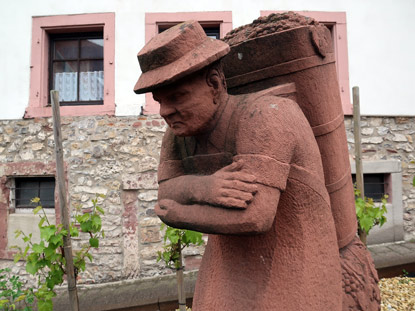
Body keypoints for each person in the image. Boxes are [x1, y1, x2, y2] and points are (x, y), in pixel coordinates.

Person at [134, 20, 342, 310]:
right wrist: (206, 187)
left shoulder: (267, 116)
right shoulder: (178, 133)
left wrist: (180, 213)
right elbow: (164, 193)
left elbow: (255, 217)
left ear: (215, 85)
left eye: (177, 97)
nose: (166, 112)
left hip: (295, 258)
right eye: (159, 100)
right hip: (228, 261)